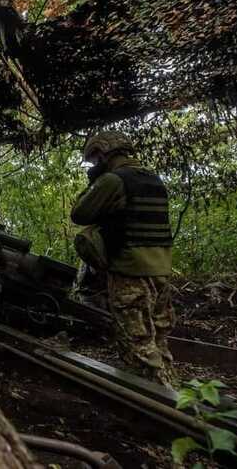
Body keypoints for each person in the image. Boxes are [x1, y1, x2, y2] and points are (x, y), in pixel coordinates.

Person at [71, 130, 177, 387]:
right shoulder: (154, 179)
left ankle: (158, 410)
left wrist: (94, 181)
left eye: (95, 159)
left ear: (102, 153)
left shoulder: (113, 180)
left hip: (130, 271)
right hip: (161, 271)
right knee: (160, 343)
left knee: (138, 346)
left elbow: (80, 214)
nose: (94, 163)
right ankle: (179, 397)